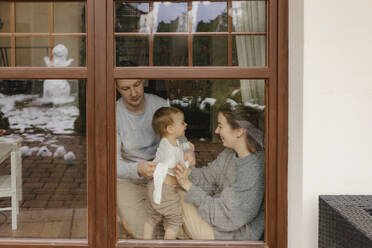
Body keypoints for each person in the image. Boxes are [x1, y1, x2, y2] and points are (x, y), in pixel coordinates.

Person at [116, 79, 194, 239]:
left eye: (137, 85)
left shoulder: (159, 104)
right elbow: (110, 164)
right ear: (116, 88)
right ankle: (121, 213)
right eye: (125, 88)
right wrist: (138, 169)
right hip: (129, 179)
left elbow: (177, 133)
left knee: (182, 226)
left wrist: (187, 150)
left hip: (164, 179)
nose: (133, 93)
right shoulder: (113, 113)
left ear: (143, 81)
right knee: (141, 229)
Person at [174, 103, 265, 240]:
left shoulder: (253, 170)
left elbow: (225, 218)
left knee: (171, 200)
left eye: (221, 126)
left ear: (239, 131)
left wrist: (188, 186)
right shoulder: (229, 154)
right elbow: (207, 178)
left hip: (233, 235)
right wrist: (186, 171)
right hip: (217, 221)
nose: (216, 131)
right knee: (172, 198)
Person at [143, 107, 192, 240]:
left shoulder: (170, 140)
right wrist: (188, 161)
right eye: (182, 123)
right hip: (166, 191)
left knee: (152, 217)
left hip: (154, 186)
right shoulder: (170, 152)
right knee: (175, 220)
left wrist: (187, 149)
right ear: (170, 129)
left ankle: (144, 243)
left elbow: (183, 140)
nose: (185, 124)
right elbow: (176, 167)